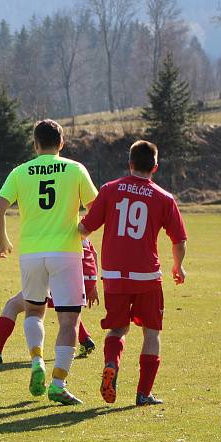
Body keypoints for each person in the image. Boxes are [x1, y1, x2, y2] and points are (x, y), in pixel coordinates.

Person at [0, 119, 98, 406]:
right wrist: (84, 229)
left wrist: (3, 242)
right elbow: (97, 208)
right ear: (61, 143)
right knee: (68, 320)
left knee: (34, 311)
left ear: (35, 145)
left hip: (31, 254)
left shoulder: (20, 171)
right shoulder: (75, 169)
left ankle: (36, 360)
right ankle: (58, 383)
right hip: (66, 251)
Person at [78, 140, 187, 407]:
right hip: (147, 277)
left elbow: (85, 229)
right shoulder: (164, 198)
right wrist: (178, 265)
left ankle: (111, 364)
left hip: (114, 275)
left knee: (117, 328)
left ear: (130, 164)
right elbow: (179, 240)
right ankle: (143, 393)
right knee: (151, 332)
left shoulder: (109, 190)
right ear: (155, 168)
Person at [0, 239, 99, 365]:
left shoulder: (54, 229)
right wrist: (93, 285)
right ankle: (85, 340)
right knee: (66, 309)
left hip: (66, 276)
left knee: (13, 305)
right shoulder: (77, 225)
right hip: (87, 279)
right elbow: (94, 254)